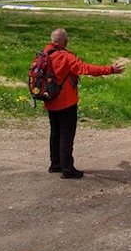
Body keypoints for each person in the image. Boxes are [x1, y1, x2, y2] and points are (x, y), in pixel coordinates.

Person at [41, 27, 125, 179]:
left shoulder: (44, 54)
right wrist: (110, 69)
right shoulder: (66, 57)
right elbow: (85, 69)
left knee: (55, 133)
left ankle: (56, 164)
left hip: (50, 99)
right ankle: (67, 169)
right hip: (66, 101)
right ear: (64, 41)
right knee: (66, 135)